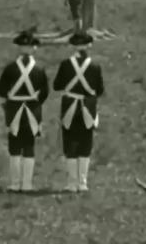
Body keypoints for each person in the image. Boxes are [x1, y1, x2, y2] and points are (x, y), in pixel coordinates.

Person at [52, 30, 104, 193]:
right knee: (85, 144)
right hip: (88, 106)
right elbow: (100, 90)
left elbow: (57, 86)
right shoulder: (95, 66)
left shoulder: (66, 65)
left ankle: (71, 182)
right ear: (89, 45)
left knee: (70, 144)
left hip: (69, 106)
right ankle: (82, 182)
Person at [0, 31, 49, 192]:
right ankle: (27, 184)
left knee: (14, 147)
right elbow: (44, 93)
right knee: (29, 146)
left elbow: (1, 90)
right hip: (32, 110)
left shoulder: (10, 69)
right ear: (34, 48)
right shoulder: (39, 70)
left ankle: (15, 183)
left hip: (14, 110)